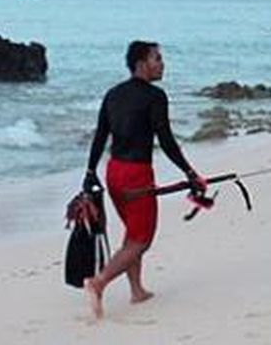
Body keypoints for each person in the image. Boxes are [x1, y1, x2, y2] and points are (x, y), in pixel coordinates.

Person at [82, 40, 203, 319]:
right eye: (157, 58)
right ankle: (98, 283)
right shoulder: (155, 96)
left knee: (132, 232)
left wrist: (90, 172)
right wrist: (189, 172)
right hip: (136, 175)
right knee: (141, 240)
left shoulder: (113, 94)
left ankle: (137, 291)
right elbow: (167, 141)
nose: (162, 64)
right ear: (141, 63)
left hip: (114, 172)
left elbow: (100, 136)